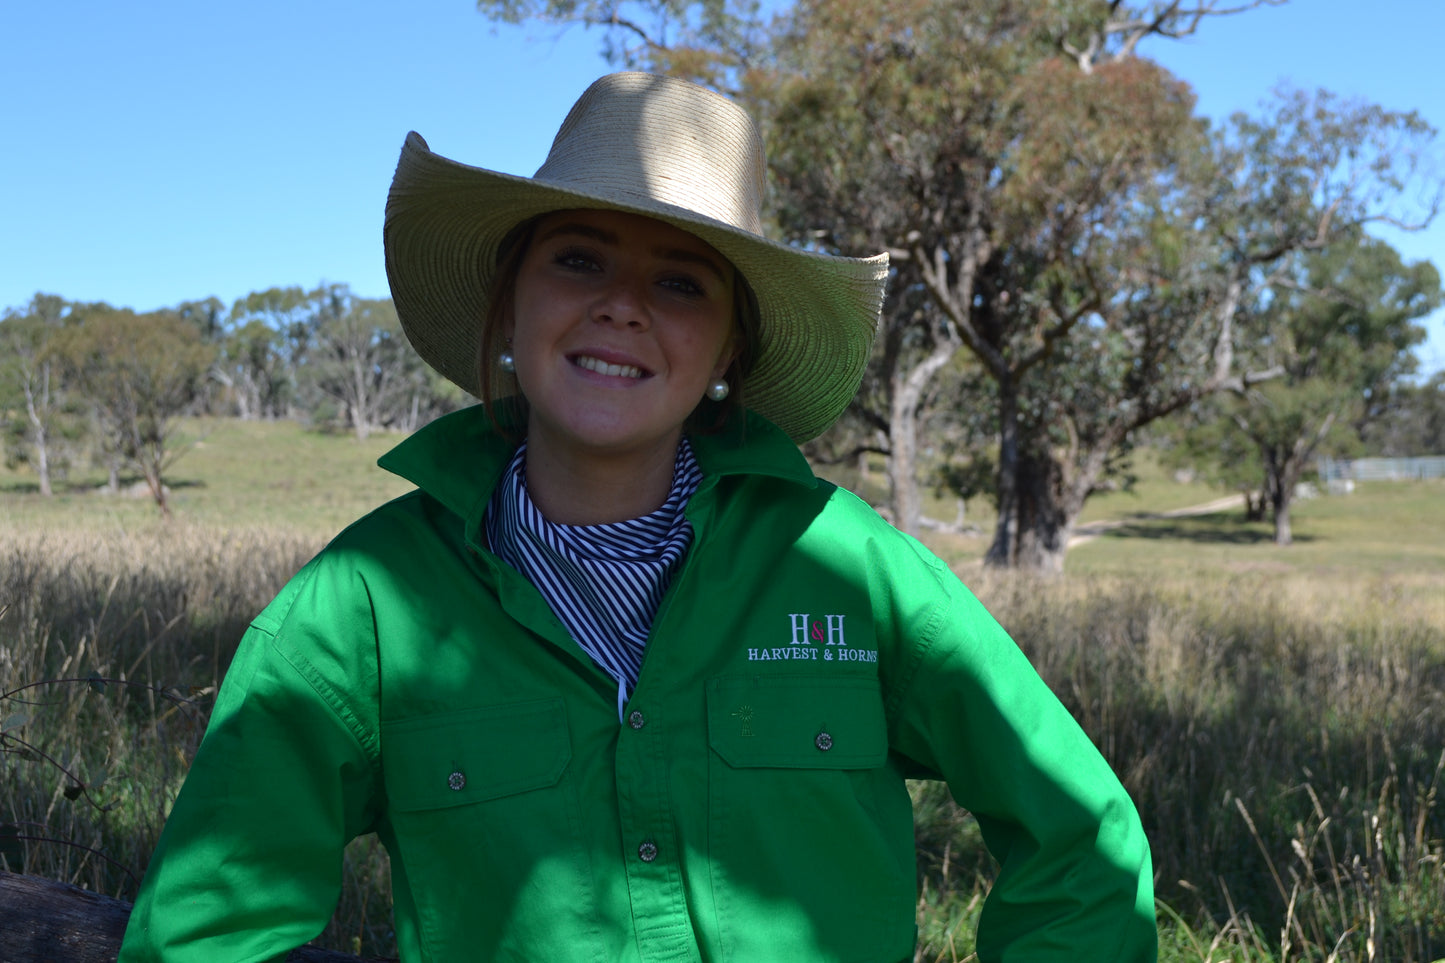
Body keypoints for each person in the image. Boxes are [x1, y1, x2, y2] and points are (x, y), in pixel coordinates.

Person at [118, 72, 1157, 962]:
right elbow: (209, 925)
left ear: (726, 357)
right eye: (577, 258)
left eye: (678, 281)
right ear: (508, 309)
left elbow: (1080, 841)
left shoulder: (848, 571)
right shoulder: (361, 608)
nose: (622, 305)